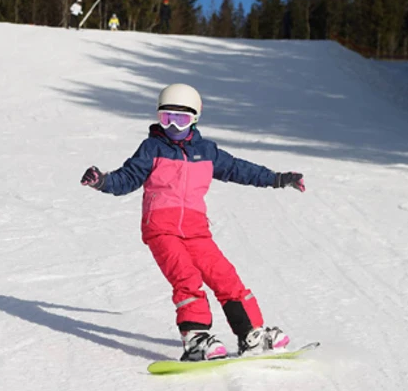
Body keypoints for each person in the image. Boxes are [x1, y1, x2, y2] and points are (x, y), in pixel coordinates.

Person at [79, 83, 305, 362]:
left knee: (226, 278)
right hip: (161, 229)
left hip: (197, 231)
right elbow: (127, 178)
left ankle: (251, 334)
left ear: (195, 118)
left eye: (181, 119)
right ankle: (196, 338)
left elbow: (238, 169)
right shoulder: (151, 148)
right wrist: (103, 181)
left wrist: (277, 178)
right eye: (167, 118)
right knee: (186, 278)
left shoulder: (206, 151)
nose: (173, 126)